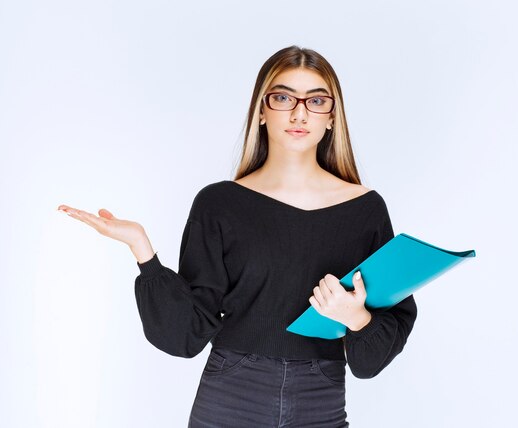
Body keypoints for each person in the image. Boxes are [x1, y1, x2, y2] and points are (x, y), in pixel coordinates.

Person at [58, 45, 418, 428]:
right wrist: (143, 250)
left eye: (316, 100)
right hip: (231, 395)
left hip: (321, 398)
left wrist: (356, 317)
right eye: (283, 98)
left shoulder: (365, 209)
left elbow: (377, 349)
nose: (299, 113)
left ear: (332, 117)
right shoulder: (219, 204)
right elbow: (188, 333)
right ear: (261, 111)